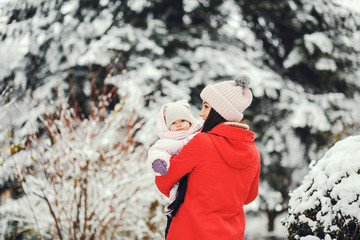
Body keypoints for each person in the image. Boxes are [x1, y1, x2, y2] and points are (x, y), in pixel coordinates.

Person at [154, 74, 261, 240]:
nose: (201, 114)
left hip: (189, 231)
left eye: (206, 107)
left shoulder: (202, 142)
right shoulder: (253, 152)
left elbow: (163, 180)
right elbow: (249, 197)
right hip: (231, 234)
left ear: (219, 111)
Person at [147, 99, 202, 236]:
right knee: (178, 203)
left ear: (190, 121)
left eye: (182, 121)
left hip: (198, 181)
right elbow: (158, 150)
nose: (178, 125)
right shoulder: (168, 140)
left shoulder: (199, 135)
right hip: (178, 181)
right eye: (173, 123)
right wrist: (159, 162)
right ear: (167, 126)